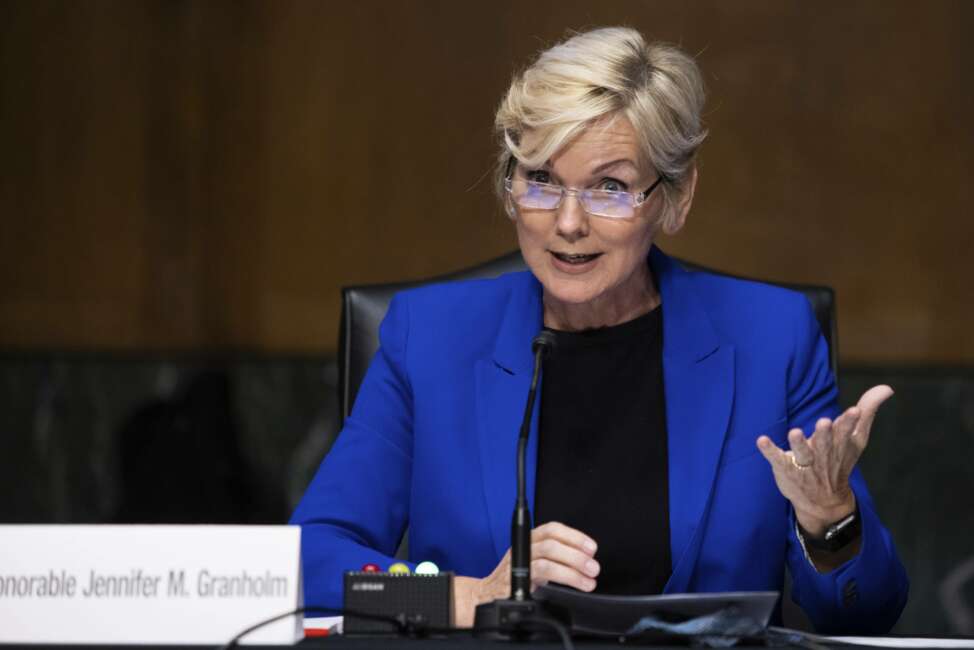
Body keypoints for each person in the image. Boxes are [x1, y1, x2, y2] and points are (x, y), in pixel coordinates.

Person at [290, 26, 908, 633]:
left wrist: (830, 518)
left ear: (675, 197)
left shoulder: (772, 340)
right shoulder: (431, 338)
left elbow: (867, 612)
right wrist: (468, 596)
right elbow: (309, 561)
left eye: (609, 187)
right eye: (541, 180)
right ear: (510, 189)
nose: (567, 222)